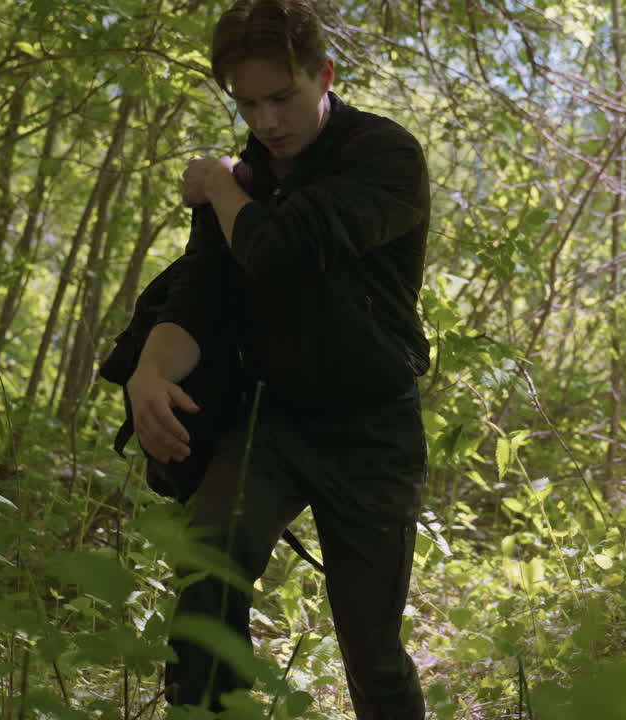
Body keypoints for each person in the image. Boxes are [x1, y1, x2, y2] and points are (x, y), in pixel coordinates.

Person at [124, 0, 432, 717]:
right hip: (271, 422)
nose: (267, 122)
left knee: (372, 649)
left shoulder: (384, 156)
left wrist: (222, 182)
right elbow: (199, 299)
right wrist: (148, 374)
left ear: (324, 75)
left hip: (372, 429)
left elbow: (282, 252)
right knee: (208, 570)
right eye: (248, 103)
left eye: (282, 97)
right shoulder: (239, 183)